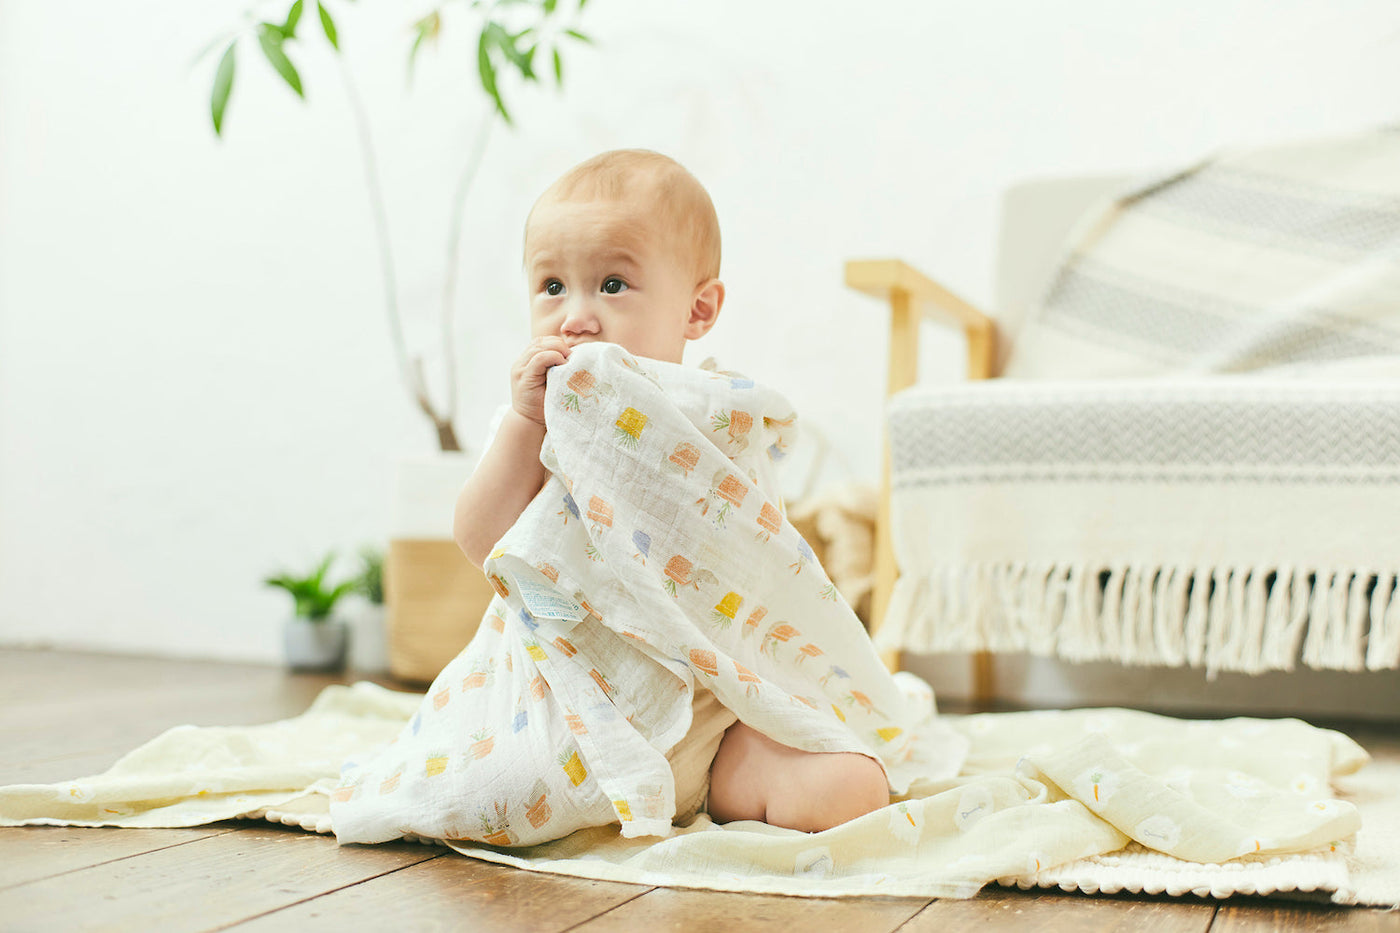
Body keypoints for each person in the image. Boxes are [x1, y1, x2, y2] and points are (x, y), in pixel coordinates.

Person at [453, 149, 888, 833]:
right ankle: (590, 791)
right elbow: (483, 540)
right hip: (565, 699)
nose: (575, 317)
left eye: (613, 285)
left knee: (853, 784)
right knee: (483, 785)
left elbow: (761, 566)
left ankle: (719, 787)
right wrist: (522, 424)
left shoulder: (718, 419)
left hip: (713, 711)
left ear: (698, 308)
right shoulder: (535, 424)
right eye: (552, 286)